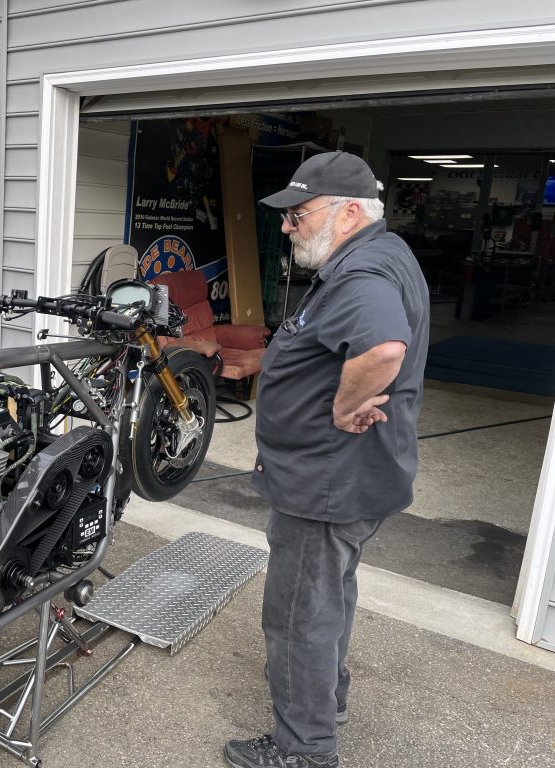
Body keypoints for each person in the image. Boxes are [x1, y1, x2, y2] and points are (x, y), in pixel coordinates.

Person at [223, 152, 429, 768]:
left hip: (326, 481)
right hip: (352, 478)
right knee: (330, 594)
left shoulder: (360, 274)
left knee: (297, 616)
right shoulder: (384, 254)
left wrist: (346, 405)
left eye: (299, 215)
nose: (287, 228)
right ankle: (327, 699)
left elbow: (384, 349)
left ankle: (304, 750)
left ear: (346, 214)